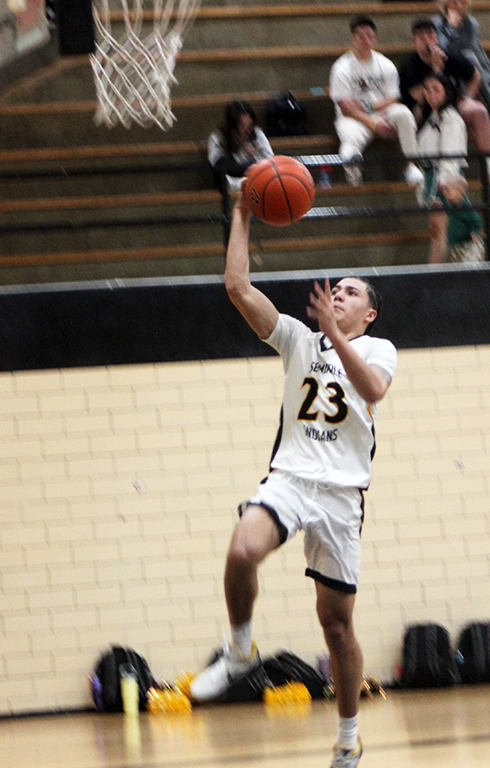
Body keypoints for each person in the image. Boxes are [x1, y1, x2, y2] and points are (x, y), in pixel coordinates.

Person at [189, 185, 398, 768]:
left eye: (352, 292)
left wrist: (335, 339)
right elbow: (236, 288)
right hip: (292, 477)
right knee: (241, 550)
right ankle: (238, 650)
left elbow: (373, 390)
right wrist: (240, 214)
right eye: (336, 289)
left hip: (341, 497)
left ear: (368, 313)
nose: (339, 295)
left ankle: (348, 734)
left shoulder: (379, 349)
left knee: (336, 625)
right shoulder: (298, 339)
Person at [329, 15, 424, 188]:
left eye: (370, 36)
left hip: (382, 112)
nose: (366, 40)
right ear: (353, 39)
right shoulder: (341, 68)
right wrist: (372, 123)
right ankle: (355, 182)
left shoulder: (385, 64)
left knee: (404, 114)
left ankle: (412, 167)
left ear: (375, 39)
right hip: (353, 118)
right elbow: (346, 107)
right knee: (349, 148)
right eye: (361, 36)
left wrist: (370, 106)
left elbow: (393, 98)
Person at [399, 18, 490, 174]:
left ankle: (488, 161)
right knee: (412, 117)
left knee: (479, 111)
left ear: (436, 38)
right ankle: (414, 167)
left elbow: (475, 76)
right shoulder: (409, 67)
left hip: (455, 104)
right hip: (425, 109)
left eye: (430, 35)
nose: (427, 40)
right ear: (414, 41)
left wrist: (468, 96)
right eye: (421, 37)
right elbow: (425, 97)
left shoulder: (451, 56)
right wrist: (436, 70)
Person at [416, 73, 470, 262]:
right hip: (432, 175)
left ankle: (434, 275)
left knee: (439, 232)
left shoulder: (450, 118)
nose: (431, 95)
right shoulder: (432, 117)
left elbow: (451, 152)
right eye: (427, 90)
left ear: (446, 92)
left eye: (436, 90)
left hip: (443, 177)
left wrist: (445, 182)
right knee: (436, 231)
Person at [207, 101, 273, 242]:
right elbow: (217, 164)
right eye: (241, 126)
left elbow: (269, 160)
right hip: (228, 181)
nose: (245, 130)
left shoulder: (257, 135)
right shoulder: (218, 137)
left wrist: (254, 158)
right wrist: (239, 154)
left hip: (253, 179)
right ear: (232, 125)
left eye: (248, 126)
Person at [433, 0, 490, 108]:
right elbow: (445, 48)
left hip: (473, 67)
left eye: (462, 2)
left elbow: (473, 48)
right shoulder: (438, 23)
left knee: (469, 56)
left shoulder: (471, 23)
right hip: (449, 65)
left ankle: (470, 100)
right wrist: (452, 27)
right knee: (468, 56)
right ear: (447, 3)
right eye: (454, 2)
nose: (459, 5)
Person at [443, 175, 485, 261]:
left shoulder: (465, 207)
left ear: (459, 191)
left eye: (448, 191)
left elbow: (475, 220)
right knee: (458, 265)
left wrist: (475, 232)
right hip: (456, 244)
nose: (445, 193)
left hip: (468, 244)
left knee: (470, 265)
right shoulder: (450, 205)